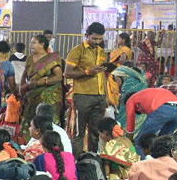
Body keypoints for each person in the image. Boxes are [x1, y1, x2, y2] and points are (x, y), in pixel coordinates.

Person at [65, 22, 109, 152]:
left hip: (99, 97)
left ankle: (92, 159)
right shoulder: (77, 51)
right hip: (83, 96)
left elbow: (103, 75)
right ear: (87, 35)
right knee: (79, 132)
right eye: (94, 38)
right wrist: (87, 72)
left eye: (100, 39)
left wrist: (106, 96)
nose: (97, 41)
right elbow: (67, 73)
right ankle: (78, 162)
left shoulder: (102, 52)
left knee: (96, 132)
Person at [19, 33, 63, 138]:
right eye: (31, 43)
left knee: (46, 119)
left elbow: (58, 77)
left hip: (48, 94)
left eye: (34, 43)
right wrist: (22, 87)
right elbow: (25, 74)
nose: (31, 45)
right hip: (32, 94)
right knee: (30, 120)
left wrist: (40, 83)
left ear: (42, 44)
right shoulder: (30, 58)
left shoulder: (51, 59)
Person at [127, 84, 177, 156]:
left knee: (140, 141)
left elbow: (130, 125)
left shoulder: (131, 99)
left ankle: (145, 164)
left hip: (163, 109)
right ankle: (164, 162)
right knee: (163, 141)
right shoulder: (146, 95)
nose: (141, 113)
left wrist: (129, 141)